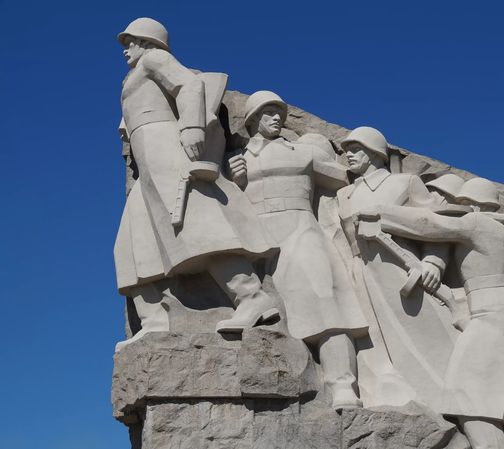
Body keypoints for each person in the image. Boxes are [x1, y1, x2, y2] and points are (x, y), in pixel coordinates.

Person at [356, 178, 504, 449]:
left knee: (466, 392)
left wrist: (379, 212)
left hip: (492, 311)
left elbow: (428, 224)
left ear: (473, 205)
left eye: (460, 203)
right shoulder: (503, 234)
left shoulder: (477, 223)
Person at [114, 18, 283, 351]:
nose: (126, 49)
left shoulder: (154, 58)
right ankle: (154, 319)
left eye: (131, 41)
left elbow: (190, 86)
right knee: (131, 242)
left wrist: (191, 127)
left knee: (199, 225)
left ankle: (251, 297)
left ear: (148, 41)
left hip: (165, 147)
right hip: (146, 161)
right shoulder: (132, 76)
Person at [226, 90, 368, 409]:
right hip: (257, 237)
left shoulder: (303, 152)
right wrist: (234, 182)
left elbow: (348, 179)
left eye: (280, 112)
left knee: (327, 302)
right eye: (268, 112)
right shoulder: (236, 158)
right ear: (252, 119)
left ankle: (342, 384)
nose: (277, 118)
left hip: (300, 228)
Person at [328, 126, 458, 409]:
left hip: (400, 269)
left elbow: (436, 226)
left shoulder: (405, 183)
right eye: (347, 150)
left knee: (428, 340)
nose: (349, 155)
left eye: (356, 149)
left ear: (376, 153)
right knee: (374, 340)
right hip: (359, 271)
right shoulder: (344, 194)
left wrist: (434, 262)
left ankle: (455, 401)